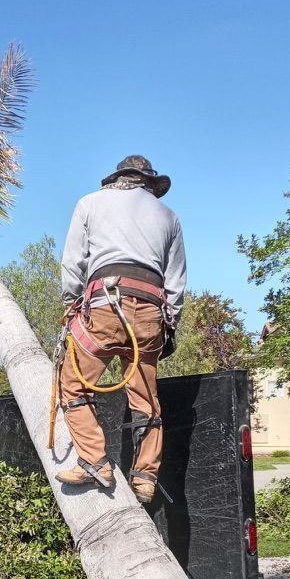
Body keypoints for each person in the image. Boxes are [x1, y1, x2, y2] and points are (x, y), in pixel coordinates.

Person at [55, 155, 187, 503]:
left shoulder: (90, 204)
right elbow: (175, 282)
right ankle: (145, 478)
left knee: (72, 385)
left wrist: (71, 303)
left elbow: (73, 263)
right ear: (149, 183)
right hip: (149, 315)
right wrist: (169, 324)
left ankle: (95, 461)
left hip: (104, 308)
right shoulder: (169, 217)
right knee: (146, 401)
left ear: (117, 179)